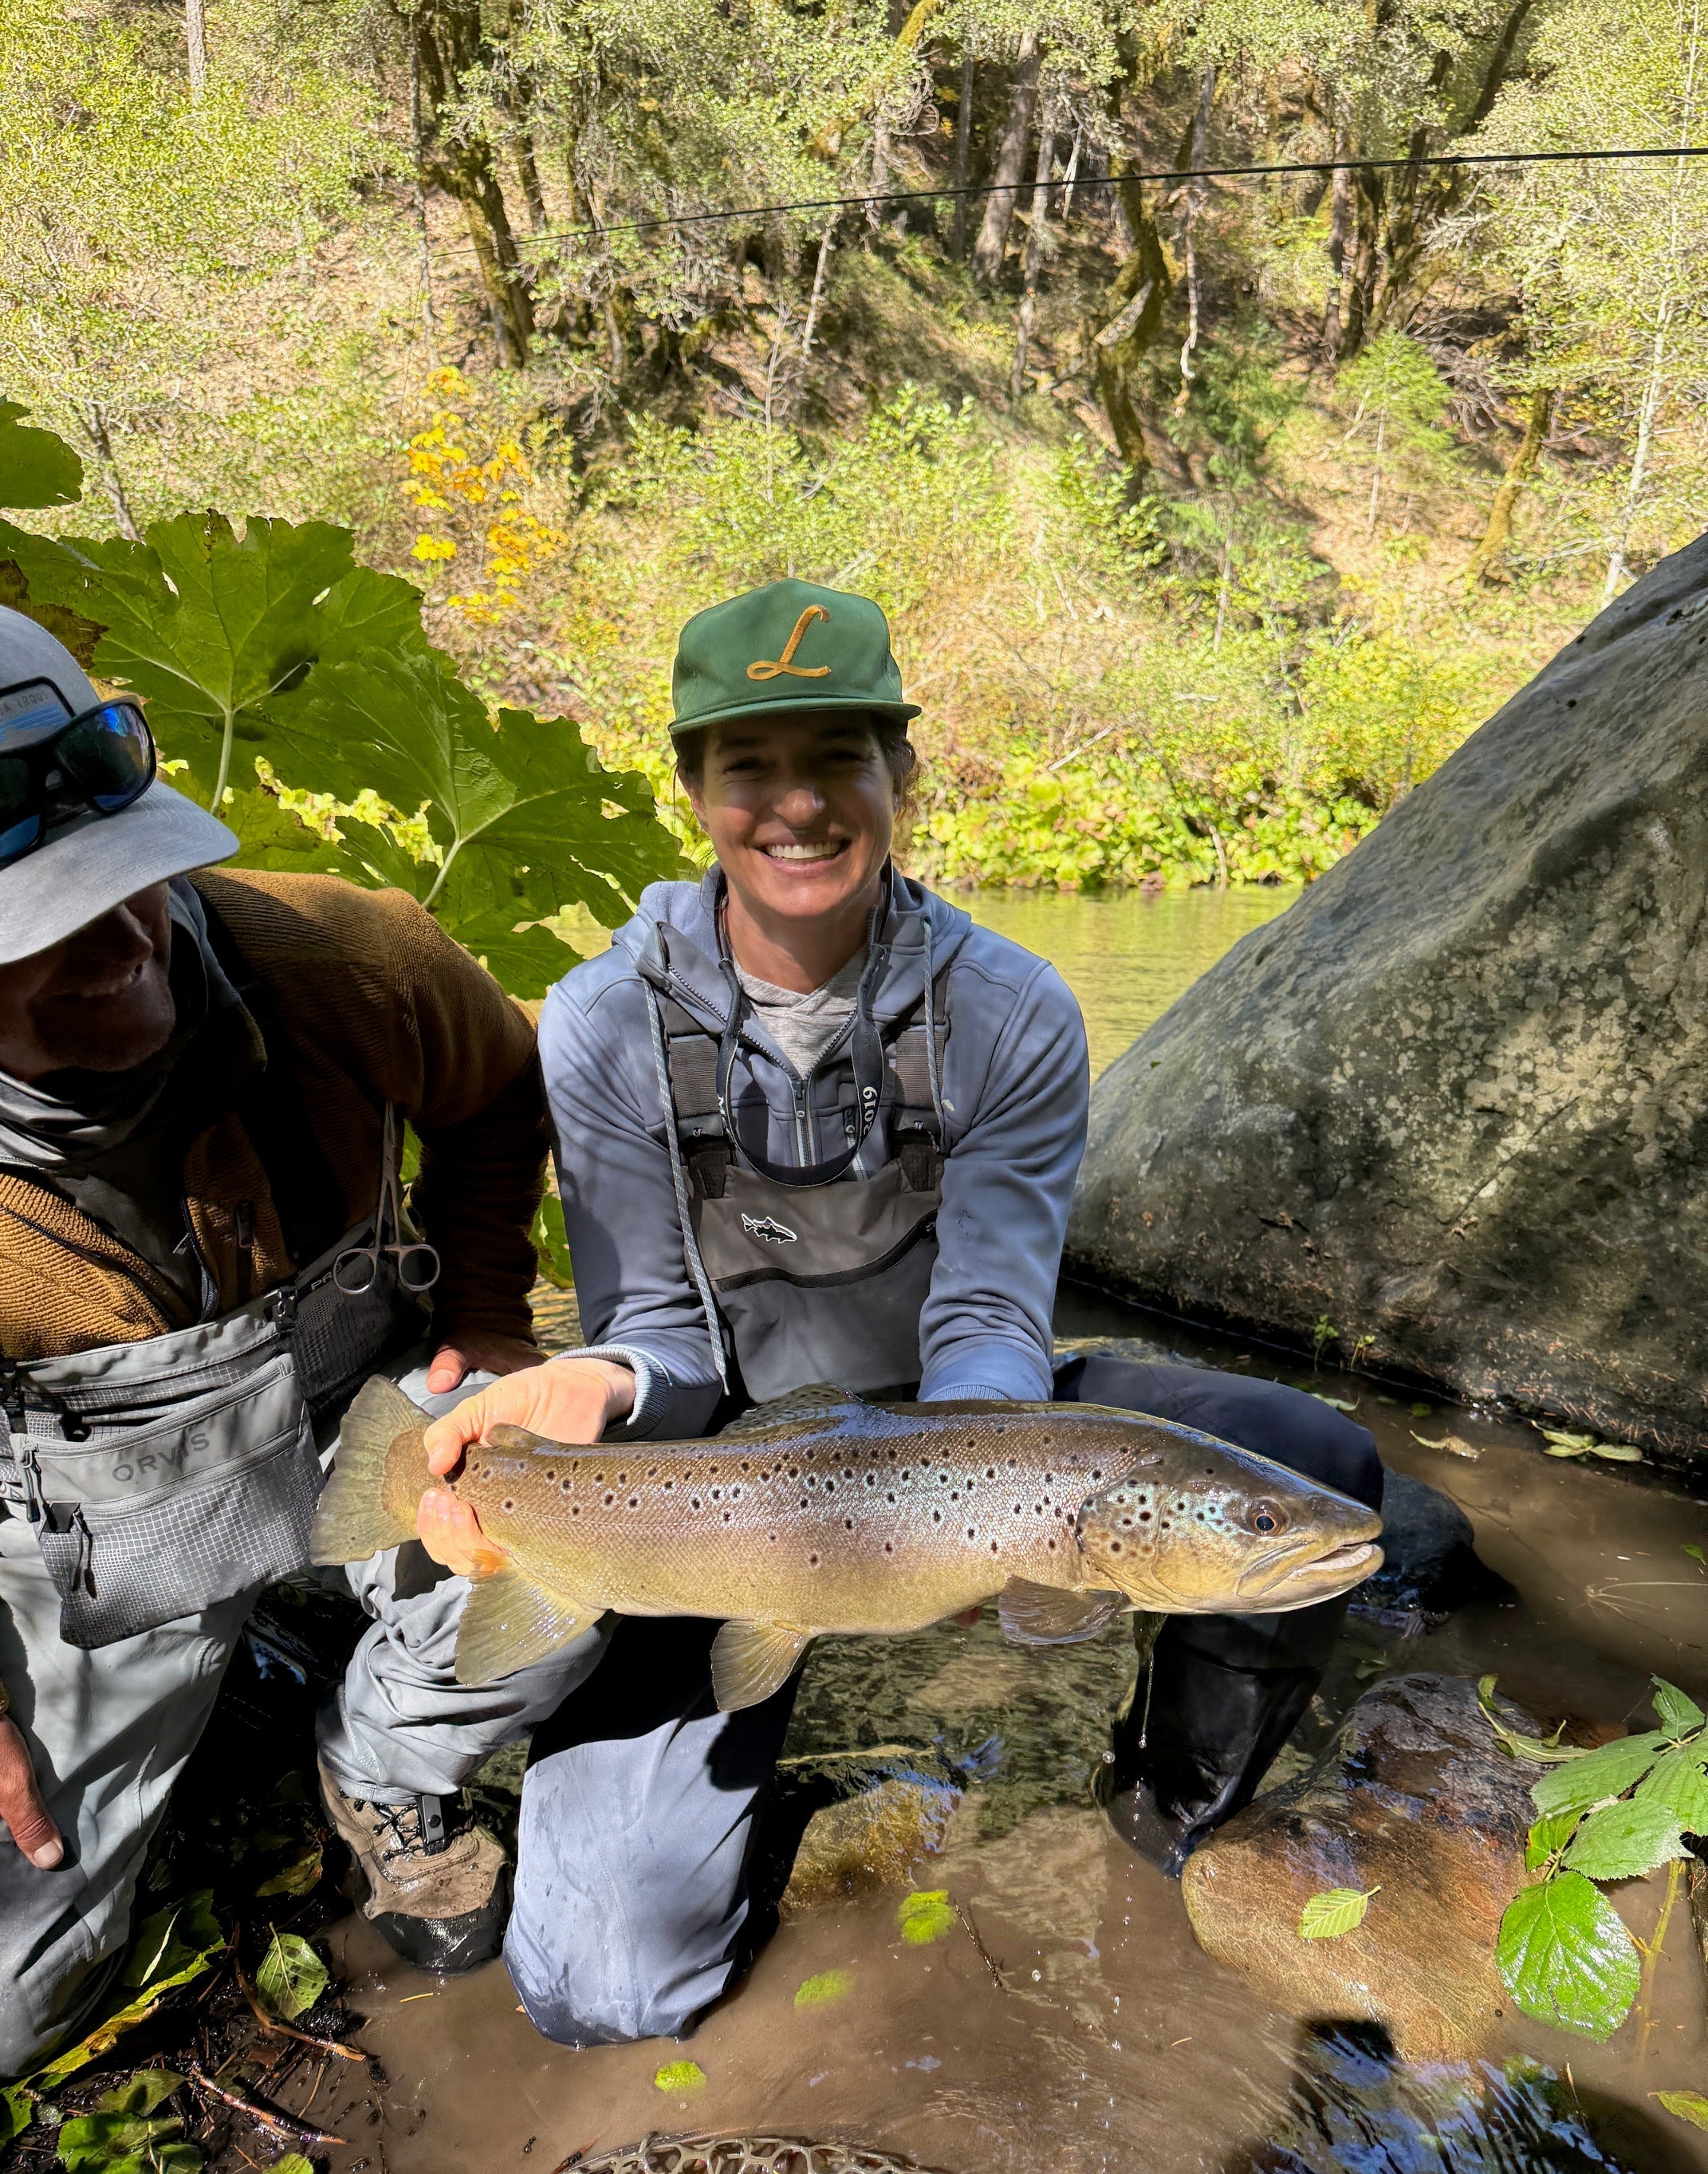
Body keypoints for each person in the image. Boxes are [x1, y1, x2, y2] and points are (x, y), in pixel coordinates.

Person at [413, 578, 1383, 2050]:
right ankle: (736, 1799)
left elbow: (993, 1302)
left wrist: (995, 1492)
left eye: (838, 763)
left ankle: (1172, 1825)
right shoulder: (603, 1020)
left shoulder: (1010, 1009)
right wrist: (591, 1392)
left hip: (966, 1414)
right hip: (725, 1450)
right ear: (694, 791)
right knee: (597, 1993)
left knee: (1308, 1459)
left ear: (899, 779)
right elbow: (656, 1333)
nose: (795, 806)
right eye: (750, 767)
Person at [0, 606, 568, 2079]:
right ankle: (237, 1657)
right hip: (79, 1533)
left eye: (123, 876)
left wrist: (494, 1323)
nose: (121, 941)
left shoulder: (332, 955)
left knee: (593, 1515)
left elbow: (504, 1097)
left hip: (356, 1420)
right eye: (34, 925)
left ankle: (375, 1760)